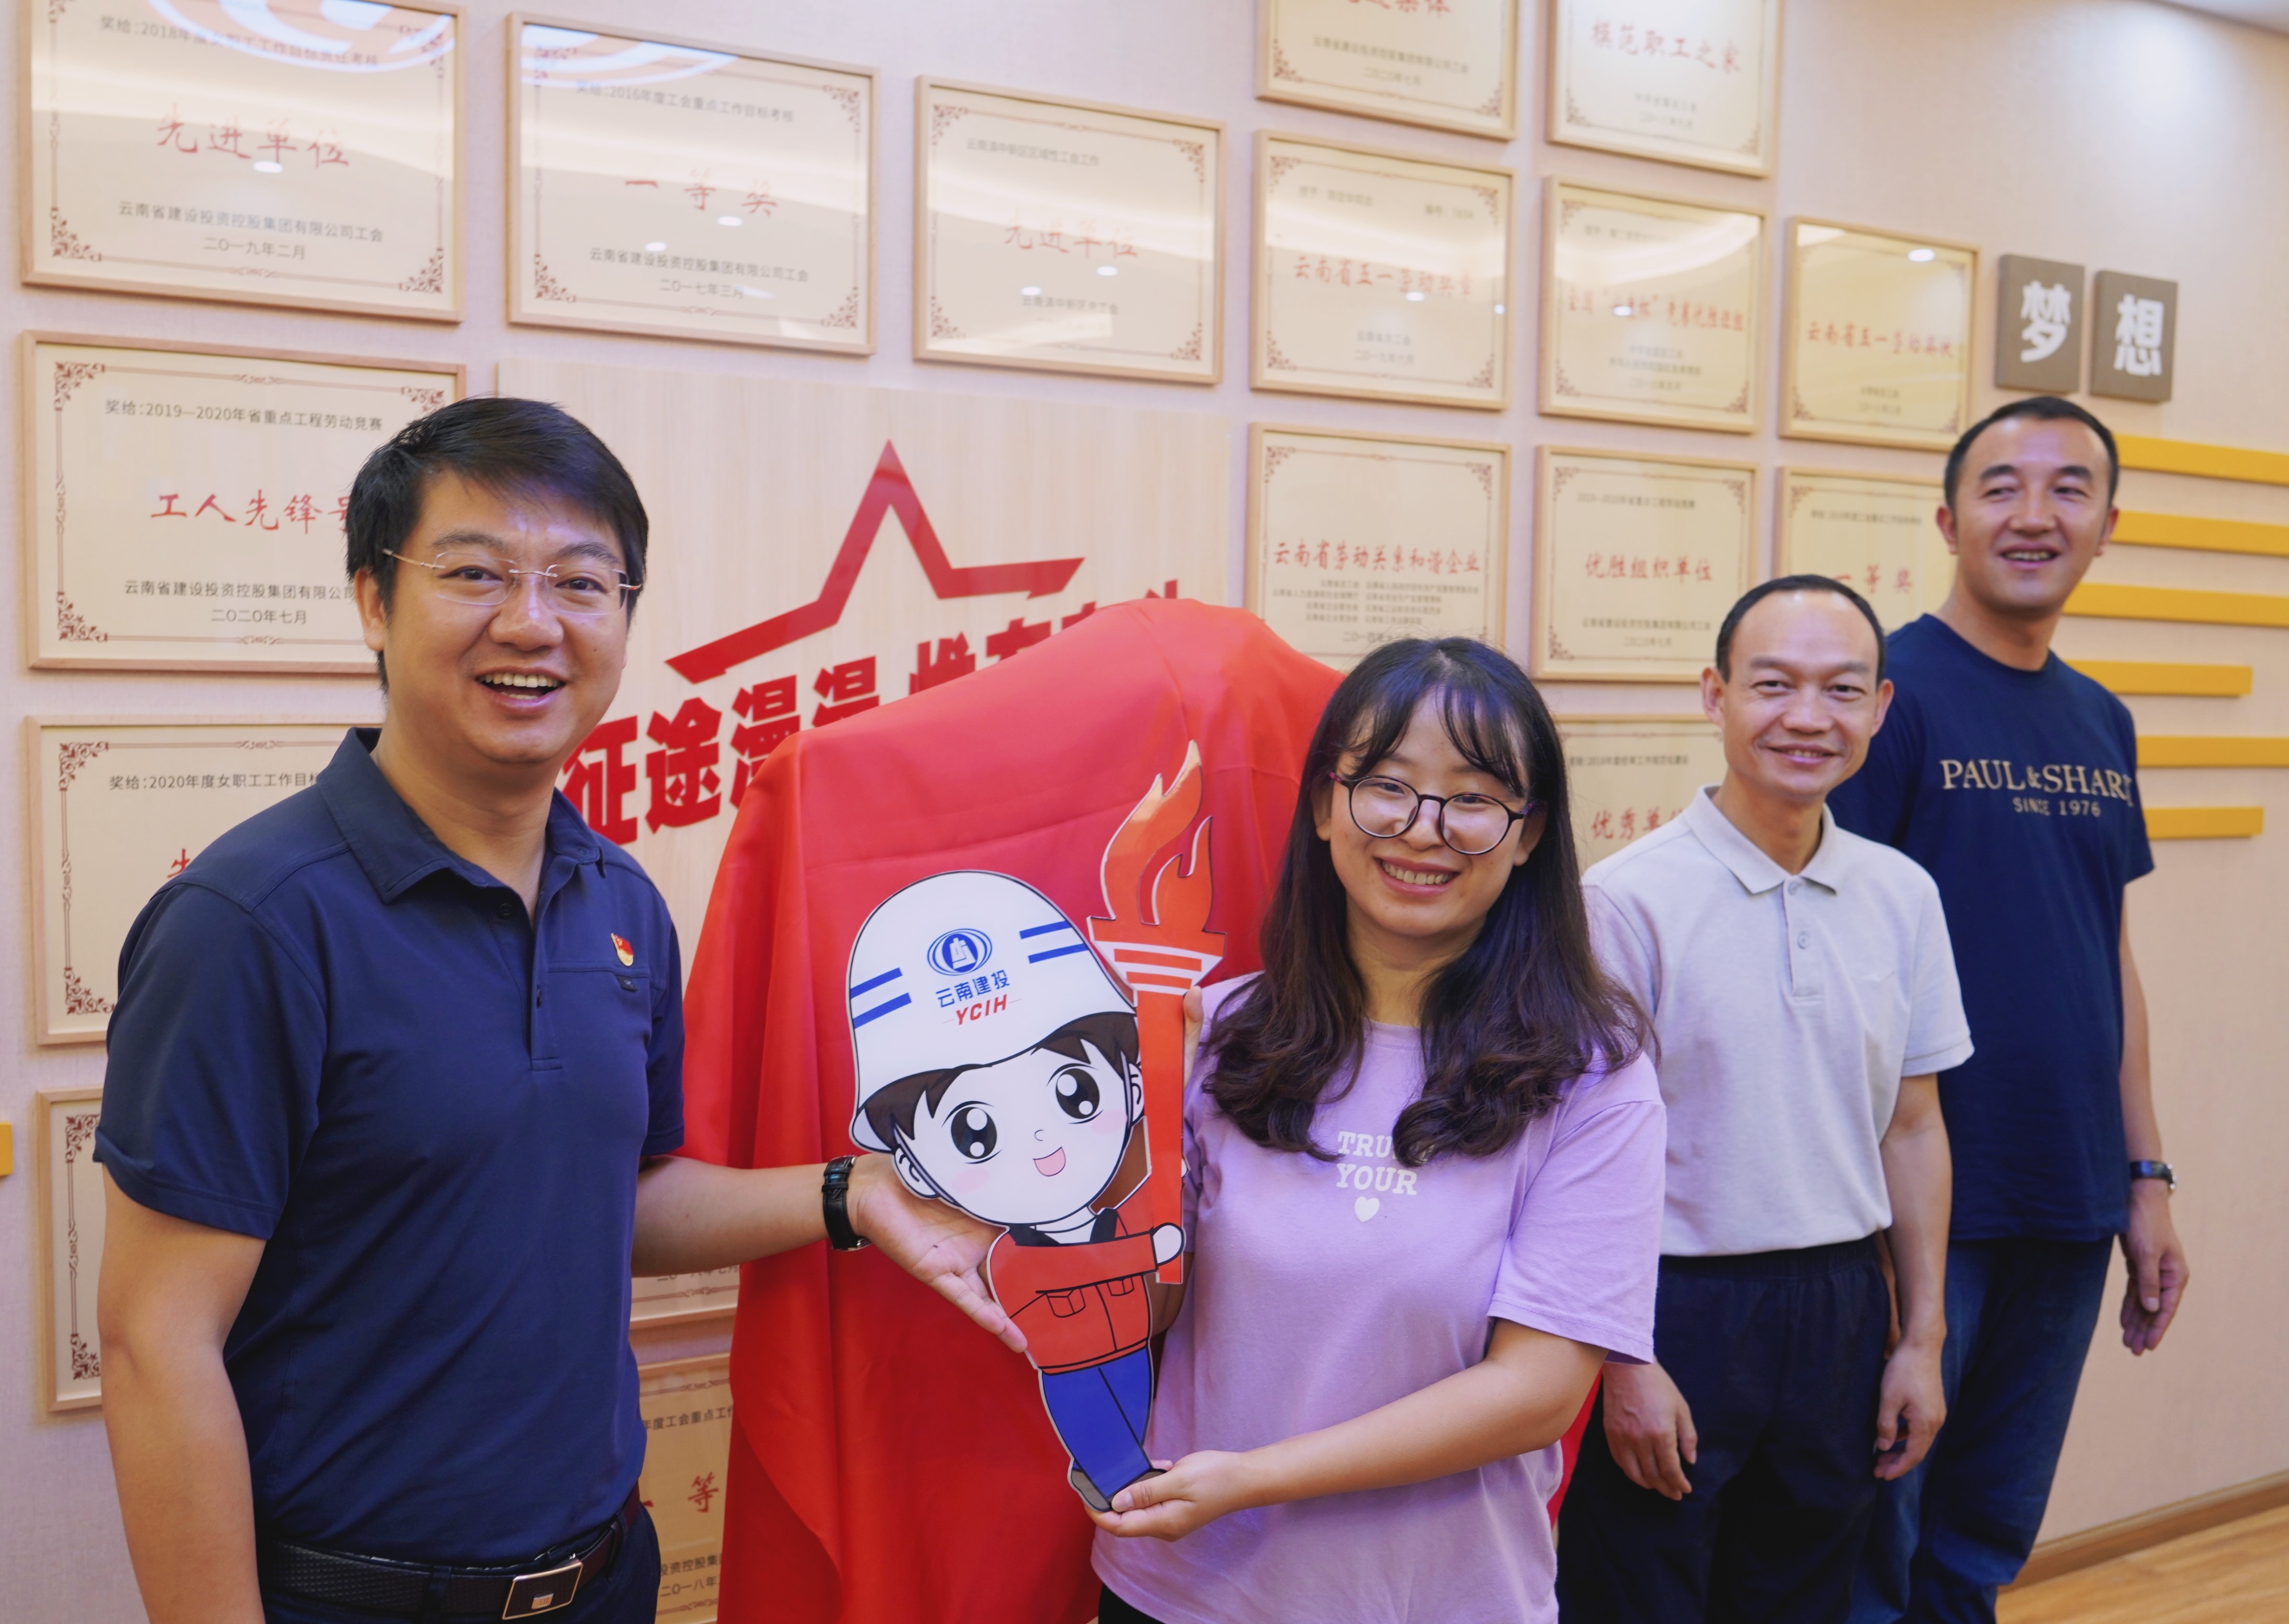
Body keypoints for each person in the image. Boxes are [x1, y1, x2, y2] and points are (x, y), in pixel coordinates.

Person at [94, 398, 1020, 1624]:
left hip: (602, 1578)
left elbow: (617, 1195)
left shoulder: (618, 898)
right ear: (374, 600)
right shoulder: (251, 921)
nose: (531, 622)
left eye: (582, 582)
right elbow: (157, 1342)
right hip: (355, 1599)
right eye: (474, 573)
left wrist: (857, 1192)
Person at [1085, 637, 1667, 1624]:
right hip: (1180, 1586)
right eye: (1386, 786)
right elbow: (1138, 1308)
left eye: (1473, 797)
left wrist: (1255, 1478)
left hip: (1435, 1600)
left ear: (1528, 833)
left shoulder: (1592, 1080)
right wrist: (1119, 1144)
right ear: (1324, 804)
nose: (1422, 828)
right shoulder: (1213, 1033)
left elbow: (1535, 1393)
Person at [1830, 396, 2190, 1623]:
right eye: (2000, 486)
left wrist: (2145, 1175)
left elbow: (2108, 954)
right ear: (1948, 520)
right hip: (1920, 1204)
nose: (2034, 515)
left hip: (2068, 1195)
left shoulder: (2100, 717)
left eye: (2068, 487)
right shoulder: (1886, 699)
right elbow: (1835, 960)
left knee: (1982, 1541)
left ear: (2107, 524)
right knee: (1873, 1536)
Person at [1556, 578, 1971, 1623]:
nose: (1807, 717)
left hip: (1843, 1305)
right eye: (1773, 684)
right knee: (1638, 1597)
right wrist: (1625, 1360)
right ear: (1716, 695)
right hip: (1673, 1304)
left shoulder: (1904, 894)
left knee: (1803, 1597)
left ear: (1879, 708)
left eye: (1842, 690)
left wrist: (1920, 1339)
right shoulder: (1626, 900)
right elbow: (1578, 1158)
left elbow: (1913, 1125)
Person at [844, 870, 1184, 1511]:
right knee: (1102, 1432)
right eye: (976, 1133)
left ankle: (1122, 1471)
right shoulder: (1013, 1258)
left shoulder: (1112, 1219)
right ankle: (1114, 1477)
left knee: (1132, 1409)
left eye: (1075, 1094)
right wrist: (1149, 1250)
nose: (1041, 1140)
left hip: (1131, 1346)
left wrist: (1175, 1167)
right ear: (913, 1165)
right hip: (1073, 1370)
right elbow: (1088, 1265)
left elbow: (1147, 1207)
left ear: (1132, 1086)